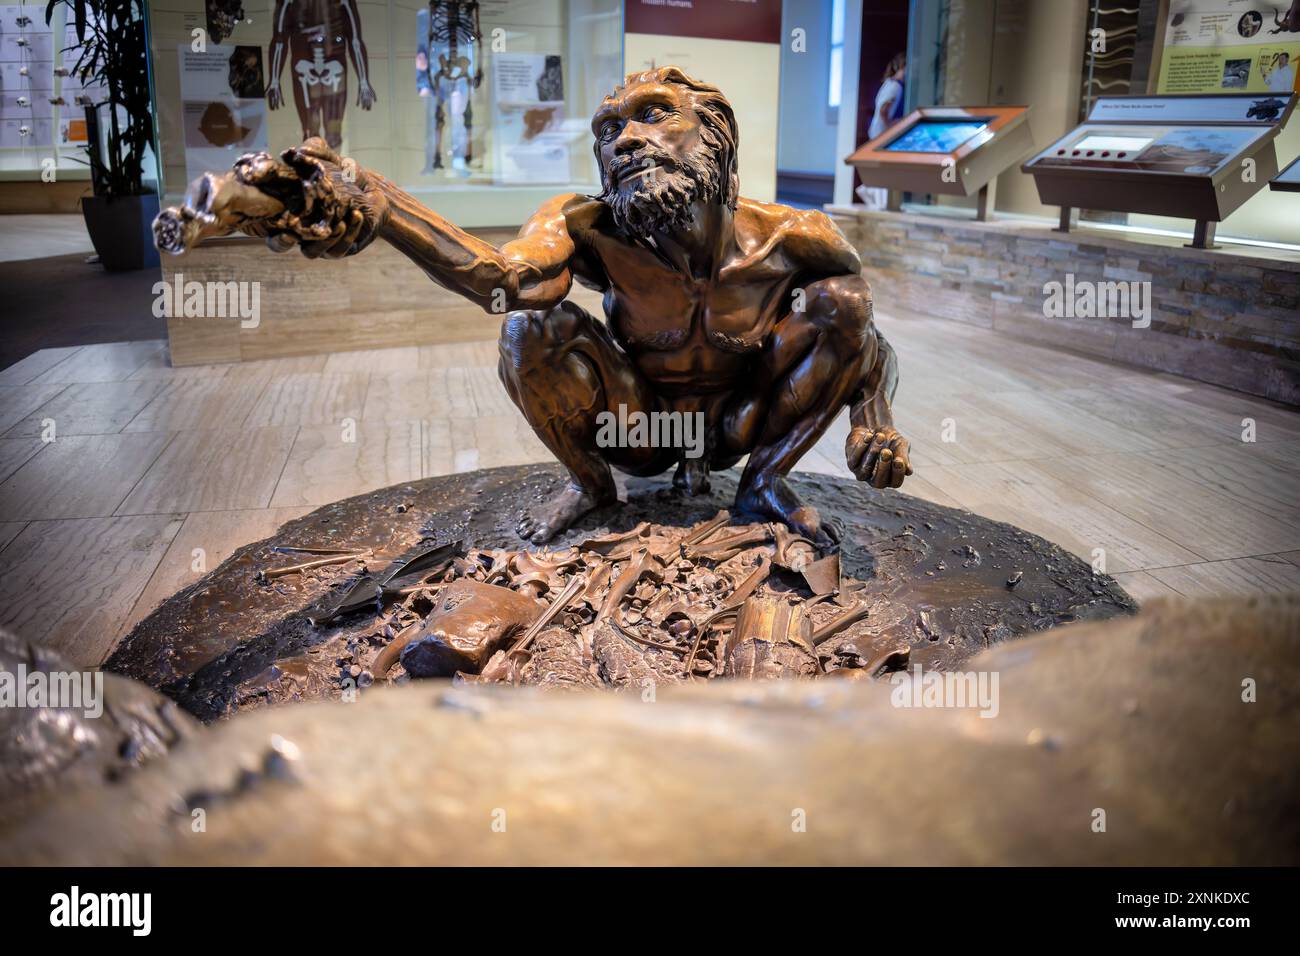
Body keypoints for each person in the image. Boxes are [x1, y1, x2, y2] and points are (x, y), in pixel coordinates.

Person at [156, 68, 913, 544]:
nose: (626, 139)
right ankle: (589, 484)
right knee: (529, 329)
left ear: (714, 133)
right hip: (644, 427)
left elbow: (864, 335)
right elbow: (504, 281)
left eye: (654, 115)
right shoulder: (585, 225)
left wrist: (875, 420)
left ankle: (765, 484)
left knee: (842, 300)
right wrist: (380, 207)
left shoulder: (794, 235)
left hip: (747, 425)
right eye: (611, 129)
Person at [862, 54, 906, 210]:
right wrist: (891, 123)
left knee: (879, 166)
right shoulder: (896, 86)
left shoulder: (887, 83)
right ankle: (878, 199)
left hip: (875, 129)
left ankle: (876, 196)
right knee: (883, 166)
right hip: (881, 131)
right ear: (902, 67)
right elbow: (884, 109)